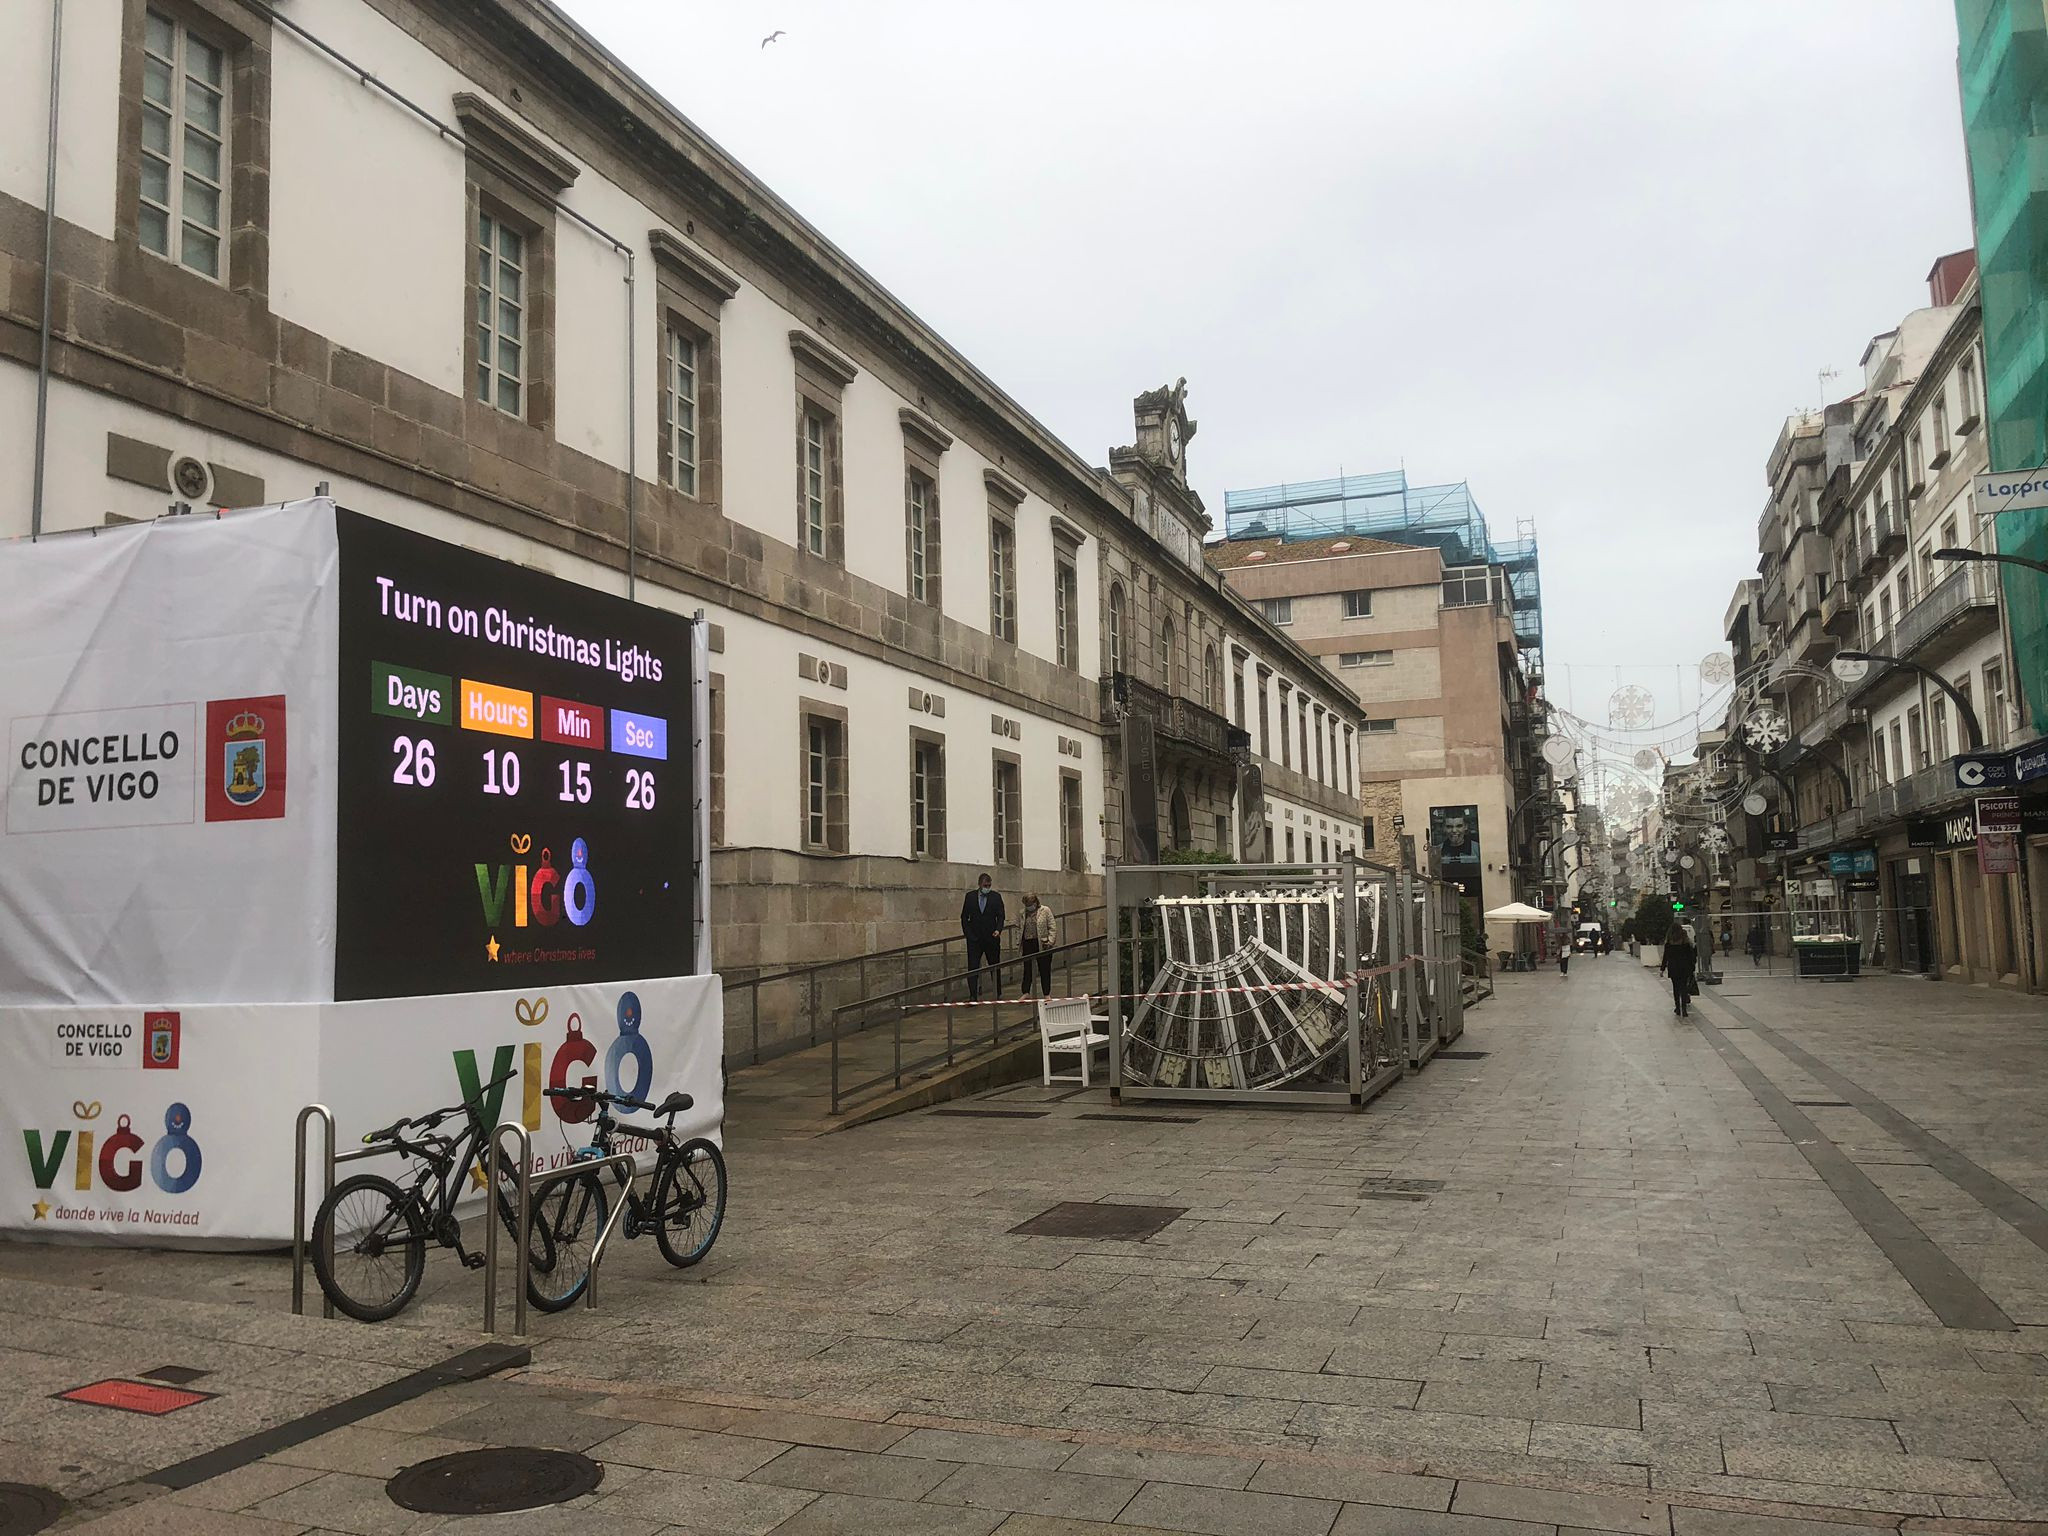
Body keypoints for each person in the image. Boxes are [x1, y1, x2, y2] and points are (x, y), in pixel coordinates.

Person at [960, 873, 1006, 1002]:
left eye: (989, 885)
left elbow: (1001, 916)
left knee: (994, 965)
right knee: (973, 967)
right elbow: (964, 917)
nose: (987, 888)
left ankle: (997, 992)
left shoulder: (996, 897)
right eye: (985, 885)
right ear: (979, 884)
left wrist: (998, 929)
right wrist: (969, 934)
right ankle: (973, 995)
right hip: (975, 939)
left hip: (991, 937)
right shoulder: (970, 897)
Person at [1018, 893, 1054, 997]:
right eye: (1027, 905)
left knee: (1044, 969)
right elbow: (1019, 928)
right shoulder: (1022, 913)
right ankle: (1026, 992)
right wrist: (1018, 942)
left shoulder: (1045, 910)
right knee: (1027, 969)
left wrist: (1050, 941)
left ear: (1035, 902)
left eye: (1030, 904)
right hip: (1027, 943)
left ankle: (1046, 993)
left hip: (1042, 943)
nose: (1029, 907)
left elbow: (1052, 926)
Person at [1660, 925, 1698, 1018]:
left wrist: (1662, 969)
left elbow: (1665, 957)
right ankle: (1684, 1010)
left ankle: (1677, 1008)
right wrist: (1692, 967)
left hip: (1673, 968)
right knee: (1684, 988)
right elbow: (1691, 956)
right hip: (1685, 968)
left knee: (1676, 988)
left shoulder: (1669, 944)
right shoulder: (1685, 943)